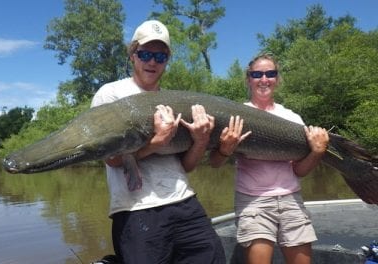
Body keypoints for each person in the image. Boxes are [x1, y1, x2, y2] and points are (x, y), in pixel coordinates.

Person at [91, 20, 226, 264]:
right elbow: (112, 159)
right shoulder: (110, 94)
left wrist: (200, 140)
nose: (152, 61)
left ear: (167, 60)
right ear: (133, 55)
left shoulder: (173, 102)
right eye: (145, 54)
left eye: (160, 56)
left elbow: (186, 167)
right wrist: (155, 143)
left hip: (185, 202)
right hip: (136, 210)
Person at [209, 53, 329, 264]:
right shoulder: (235, 115)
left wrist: (317, 152)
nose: (264, 79)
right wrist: (225, 150)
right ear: (249, 79)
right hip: (253, 203)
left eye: (270, 74)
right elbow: (215, 163)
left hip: (291, 200)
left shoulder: (292, 119)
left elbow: (299, 170)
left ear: (277, 78)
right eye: (257, 74)